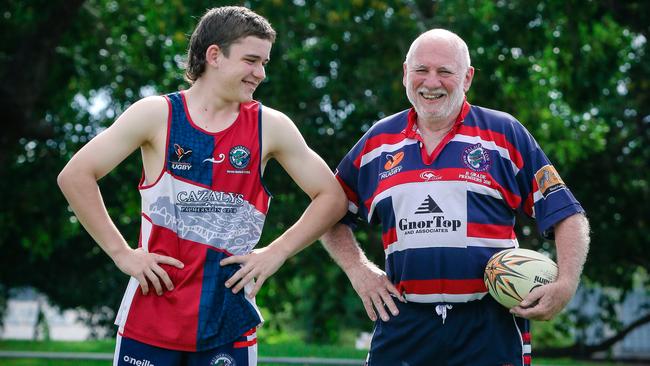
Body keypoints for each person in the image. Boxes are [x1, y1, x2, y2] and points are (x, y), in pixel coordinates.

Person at [57, 6, 347, 366]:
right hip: (151, 313)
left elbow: (332, 197)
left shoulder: (270, 126)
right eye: (251, 60)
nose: (261, 73)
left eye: (264, 63)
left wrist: (278, 251)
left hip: (228, 318)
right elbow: (75, 175)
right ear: (215, 55)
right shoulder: (156, 114)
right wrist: (121, 253)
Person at [321, 28, 589, 366]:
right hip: (404, 322)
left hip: (490, 324)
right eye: (421, 70)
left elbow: (566, 213)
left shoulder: (503, 134)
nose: (431, 82)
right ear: (406, 73)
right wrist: (358, 269)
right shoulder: (378, 142)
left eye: (445, 72)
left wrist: (565, 283)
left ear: (467, 78)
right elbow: (327, 211)